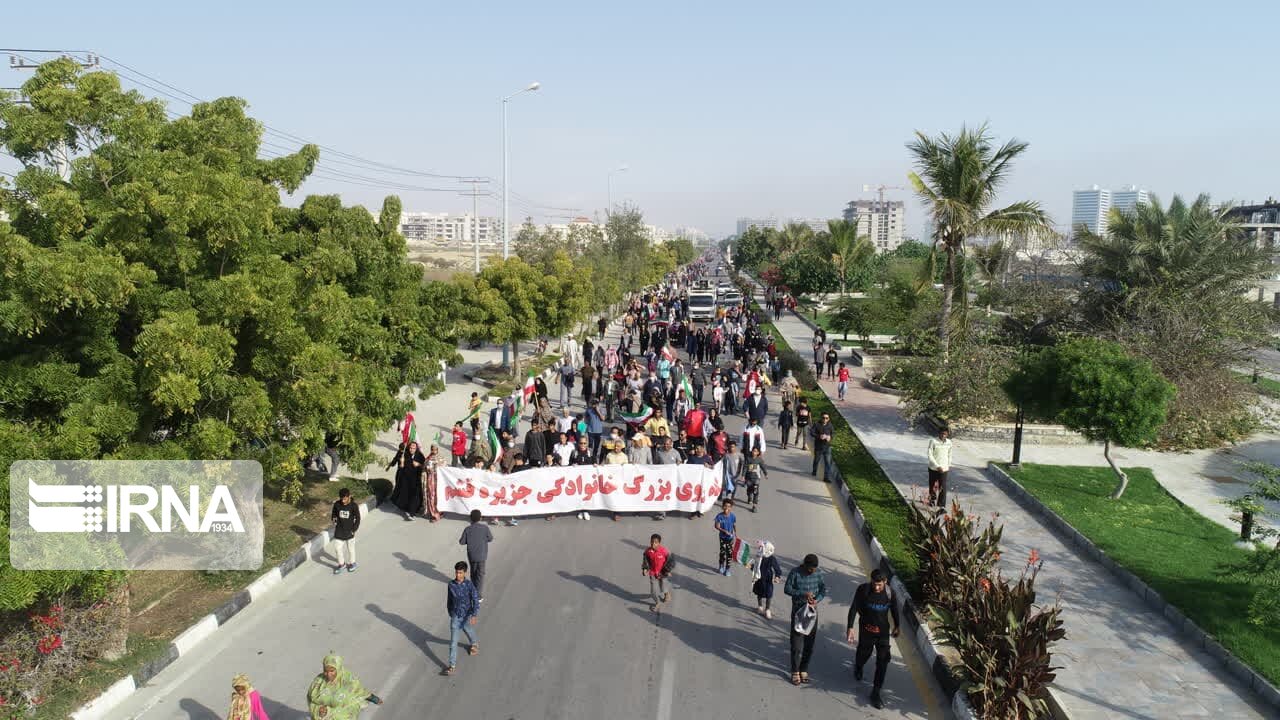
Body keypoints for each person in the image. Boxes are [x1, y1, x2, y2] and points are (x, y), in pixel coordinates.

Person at [848, 568, 901, 709]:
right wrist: (850, 627)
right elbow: (854, 608)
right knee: (863, 655)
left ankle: (876, 693)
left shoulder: (890, 594)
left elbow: (894, 610)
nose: (876, 588)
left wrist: (897, 626)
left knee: (883, 662)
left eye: (879, 585)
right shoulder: (863, 590)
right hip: (866, 630)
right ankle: (858, 666)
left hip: (882, 633)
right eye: (874, 584)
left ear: (885, 582)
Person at [784, 554, 827, 686]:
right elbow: (787, 589)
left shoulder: (818, 574)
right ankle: (795, 671)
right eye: (810, 569)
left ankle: (804, 669)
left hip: (812, 613)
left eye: (814, 569)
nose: (812, 571)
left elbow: (823, 590)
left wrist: (816, 600)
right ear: (805, 565)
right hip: (798, 613)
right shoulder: (795, 573)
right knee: (796, 644)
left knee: (809, 645)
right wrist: (802, 594)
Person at [307, 653, 383, 719]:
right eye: (325, 671)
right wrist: (320, 710)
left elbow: (359, 691)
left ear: (338, 668)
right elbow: (311, 698)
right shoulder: (319, 681)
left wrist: (373, 698)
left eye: (332, 671)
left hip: (344, 714)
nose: (328, 674)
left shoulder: (349, 680)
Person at [444, 561, 481, 676]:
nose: (458, 575)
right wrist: (451, 613)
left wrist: (474, 614)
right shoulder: (451, 585)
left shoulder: (469, 585)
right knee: (453, 642)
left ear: (465, 573)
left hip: (466, 615)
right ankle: (452, 665)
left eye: (460, 573)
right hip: (455, 616)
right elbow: (449, 601)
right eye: (456, 572)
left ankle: (474, 643)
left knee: (468, 629)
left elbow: (475, 599)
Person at [459, 510, 494, 602]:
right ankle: (478, 596)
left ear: (470, 518)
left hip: (472, 556)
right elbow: (490, 538)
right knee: (480, 575)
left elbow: (461, 542)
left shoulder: (467, 529)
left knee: (473, 574)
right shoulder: (485, 528)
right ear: (480, 518)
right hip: (482, 556)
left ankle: (473, 591)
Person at [388, 441, 425, 520]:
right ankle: (409, 509)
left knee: (416, 496)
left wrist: (419, 464)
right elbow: (401, 467)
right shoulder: (405, 454)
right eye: (410, 448)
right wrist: (401, 464)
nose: (412, 450)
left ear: (416, 449)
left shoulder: (420, 456)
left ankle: (412, 513)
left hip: (416, 480)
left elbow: (425, 466)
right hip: (406, 480)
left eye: (413, 448)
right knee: (407, 495)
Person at [330, 488, 360, 575]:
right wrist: (334, 519)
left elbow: (358, 518)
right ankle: (341, 564)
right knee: (337, 548)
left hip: (350, 531)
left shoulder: (353, 506)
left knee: (351, 549)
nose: (343, 501)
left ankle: (352, 563)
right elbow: (334, 514)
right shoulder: (337, 504)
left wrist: (354, 529)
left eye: (345, 499)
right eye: (341, 499)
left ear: (349, 496)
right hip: (339, 530)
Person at [642, 533, 674, 613]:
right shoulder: (648, 551)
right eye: (652, 542)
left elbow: (670, 561)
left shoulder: (664, 551)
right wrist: (645, 569)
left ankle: (667, 595)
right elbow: (645, 561)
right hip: (653, 573)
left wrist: (668, 571)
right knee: (653, 591)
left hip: (662, 573)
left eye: (655, 542)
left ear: (659, 543)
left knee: (663, 587)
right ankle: (657, 603)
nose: (653, 544)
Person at [750, 541, 782, 619]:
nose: (760, 549)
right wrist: (750, 566)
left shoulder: (771, 558)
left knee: (768, 594)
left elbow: (777, 568)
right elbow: (755, 566)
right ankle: (760, 607)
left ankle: (767, 609)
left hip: (767, 578)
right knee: (759, 592)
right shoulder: (758, 556)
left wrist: (777, 576)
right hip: (759, 577)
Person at [927, 427, 953, 507]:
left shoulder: (949, 442)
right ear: (939, 433)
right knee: (932, 485)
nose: (943, 435)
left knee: (943, 487)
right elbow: (930, 455)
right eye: (942, 433)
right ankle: (931, 501)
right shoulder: (933, 441)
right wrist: (937, 466)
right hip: (933, 468)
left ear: (947, 434)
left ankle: (941, 505)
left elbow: (950, 454)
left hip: (944, 469)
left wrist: (948, 465)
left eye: (945, 434)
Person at [713, 500, 738, 576]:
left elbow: (734, 525)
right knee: (722, 553)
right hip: (722, 538)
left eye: (729, 506)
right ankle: (721, 566)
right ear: (722, 507)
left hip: (730, 538)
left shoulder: (733, 516)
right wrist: (724, 531)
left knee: (729, 554)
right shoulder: (719, 516)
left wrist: (735, 533)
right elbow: (716, 526)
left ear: (731, 508)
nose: (727, 508)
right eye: (725, 506)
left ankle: (727, 569)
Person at [811, 412, 835, 483]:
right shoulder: (816, 424)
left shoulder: (830, 425)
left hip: (827, 447)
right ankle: (814, 471)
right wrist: (819, 436)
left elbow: (833, 433)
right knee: (816, 460)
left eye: (826, 418)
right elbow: (812, 432)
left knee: (827, 463)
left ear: (828, 419)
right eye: (823, 418)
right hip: (818, 446)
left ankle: (826, 477)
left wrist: (830, 437)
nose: (825, 419)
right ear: (821, 418)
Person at [743, 447, 768, 513]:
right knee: (749, 490)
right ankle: (749, 497)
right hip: (748, 478)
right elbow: (745, 467)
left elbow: (763, 467)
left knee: (756, 492)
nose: (754, 452)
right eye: (753, 451)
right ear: (752, 451)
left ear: (758, 453)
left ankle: (754, 506)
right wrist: (743, 475)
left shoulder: (759, 460)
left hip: (756, 478)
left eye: (756, 451)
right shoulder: (748, 459)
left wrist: (766, 474)